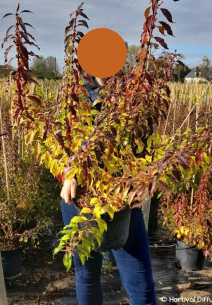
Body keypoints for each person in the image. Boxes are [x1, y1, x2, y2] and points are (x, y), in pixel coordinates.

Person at [60, 76, 156, 305]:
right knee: (86, 274)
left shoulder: (135, 96)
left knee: (141, 282)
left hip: (123, 202)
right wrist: (67, 173)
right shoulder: (73, 95)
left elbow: (149, 151)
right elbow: (59, 146)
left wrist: (144, 183)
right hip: (79, 202)